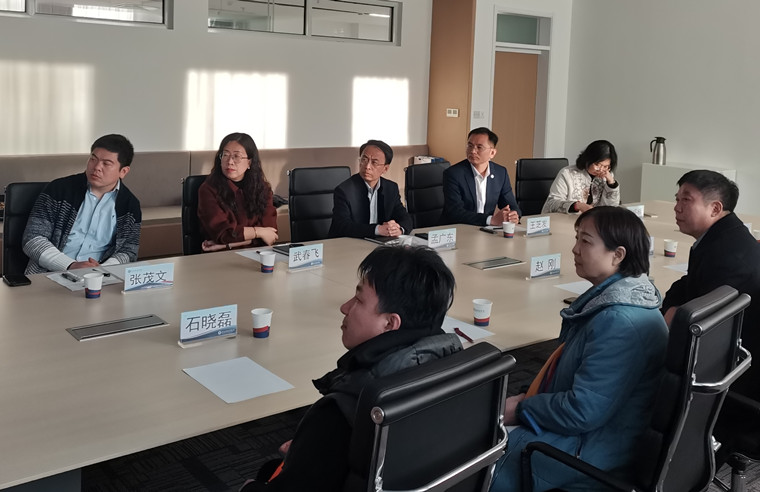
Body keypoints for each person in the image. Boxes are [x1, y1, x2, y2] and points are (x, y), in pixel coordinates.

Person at [240, 246, 462, 491]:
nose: (345, 307)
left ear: (390, 323)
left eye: (358, 300)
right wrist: (311, 449)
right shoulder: (453, 371)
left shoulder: (346, 408)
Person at [490, 207, 668, 492]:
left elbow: (582, 411)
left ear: (618, 255)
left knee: (470, 462)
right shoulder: (621, 300)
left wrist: (523, 408)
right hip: (597, 437)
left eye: (585, 241)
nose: (574, 249)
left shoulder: (619, 321)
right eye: (577, 239)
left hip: (589, 454)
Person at [662, 170, 760, 401]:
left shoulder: (727, 256)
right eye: (677, 199)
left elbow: (701, 320)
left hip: (730, 375)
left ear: (715, 208)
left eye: (686, 200)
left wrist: (673, 312)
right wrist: (671, 307)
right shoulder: (724, 236)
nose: (676, 207)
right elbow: (687, 283)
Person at [22, 134, 141, 274]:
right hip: (49, 274)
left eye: (106, 163)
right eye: (93, 159)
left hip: (99, 278)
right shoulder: (59, 190)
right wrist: (70, 265)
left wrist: (103, 270)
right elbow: (33, 239)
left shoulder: (130, 205)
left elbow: (129, 251)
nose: (96, 167)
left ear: (123, 171)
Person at [197, 132, 278, 251]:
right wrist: (258, 232)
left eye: (237, 156)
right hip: (221, 257)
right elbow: (223, 234)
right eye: (225, 155)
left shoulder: (263, 188)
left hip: (256, 254)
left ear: (249, 162)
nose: (230, 161)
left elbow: (271, 235)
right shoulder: (208, 189)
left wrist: (227, 245)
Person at [328, 139, 412, 239]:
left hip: (381, 243)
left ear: (385, 168)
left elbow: (405, 218)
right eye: (364, 160)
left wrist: (399, 229)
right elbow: (342, 226)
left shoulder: (391, 188)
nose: (367, 166)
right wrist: (377, 230)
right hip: (351, 243)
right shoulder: (344, 190)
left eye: (374, 163)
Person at [441, 127, 521, 226]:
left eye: (479, 147)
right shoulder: (453, 174)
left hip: (486, 230)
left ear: (492, 153)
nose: (473, 151)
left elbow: (511, 205)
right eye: (470, 146)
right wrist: (490, 220)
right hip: (459, 229)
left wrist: (513, 216)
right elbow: (455, 212)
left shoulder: (500, 173)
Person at [542, 139, 620, 214]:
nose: (600, 170)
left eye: (606, 166)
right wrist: (577, 206)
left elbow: (611, 209)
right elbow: (551, 204)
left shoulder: (606, 176)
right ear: (588, 159)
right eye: (597, 164)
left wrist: (611, 184)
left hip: (594, 221)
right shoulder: (567, 173)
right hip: (568, 220)